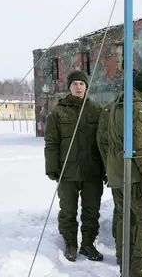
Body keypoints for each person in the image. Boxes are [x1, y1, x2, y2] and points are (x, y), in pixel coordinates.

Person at [96, 68, 142, 265]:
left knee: (127, 218)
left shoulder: (116, 106)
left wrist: (111, 167)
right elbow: (141, 147)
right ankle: (137, 265)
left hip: (119, 172)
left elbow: (107, 143)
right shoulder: (138, 109)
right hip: (134, 174)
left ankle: (126, 259)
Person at [44, 70, 105, 262]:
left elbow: (104, 142)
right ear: (69, 87)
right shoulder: (58, 112)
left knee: (91, 210)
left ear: (86, 87)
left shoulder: (97, 110)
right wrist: (52, 167)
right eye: (75, 84)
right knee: (68, 209)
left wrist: (107, 168)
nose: (79, 87)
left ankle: (88, 243)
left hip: (92, 170)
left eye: (82, 84)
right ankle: (70, 242)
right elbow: (52, 143)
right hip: (67, 171)